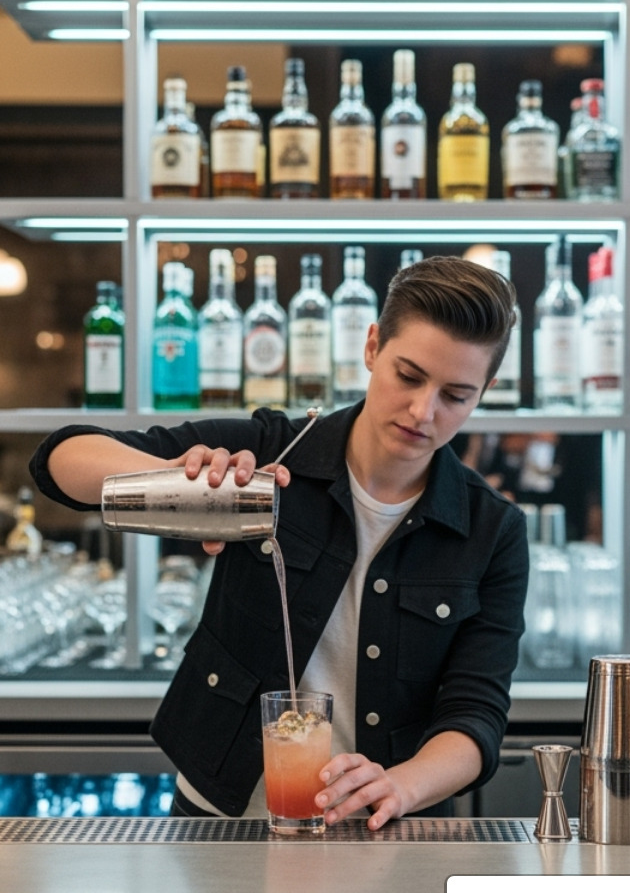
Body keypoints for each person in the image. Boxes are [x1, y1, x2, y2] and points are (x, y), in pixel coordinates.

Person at [31, 255, 528, 830]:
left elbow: (476, 715)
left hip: (380, 827)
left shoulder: (492, 531)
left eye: (456, 395)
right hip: (221, 815)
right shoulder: (273, 454)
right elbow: (59, 460)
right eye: (409, 376)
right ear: (371, 348)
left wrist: (400, 785)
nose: (424, 411)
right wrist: (183, 476)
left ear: (485, 391)